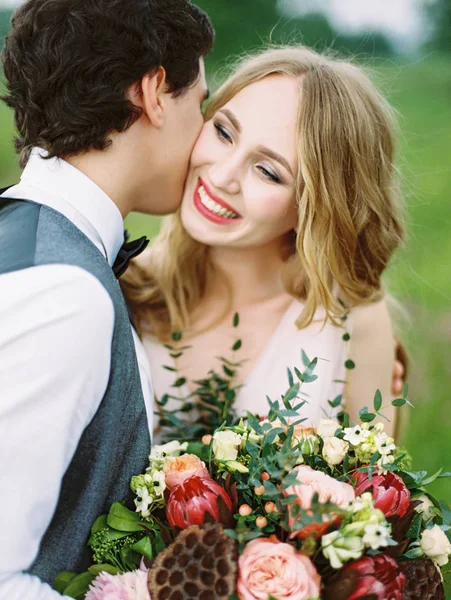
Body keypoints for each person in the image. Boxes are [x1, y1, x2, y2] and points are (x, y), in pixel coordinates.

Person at [0, 0, 213, 598]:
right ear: (153, 93)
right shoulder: (63, 292)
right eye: (200, 104)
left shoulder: (29, 236)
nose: (202, 135)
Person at [122, 46, 405, 439]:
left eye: (268, 171)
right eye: (223, 131)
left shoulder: (351, 319)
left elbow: (379, 489)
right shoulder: (129, 289)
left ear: (315, 207)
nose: (222, 176)